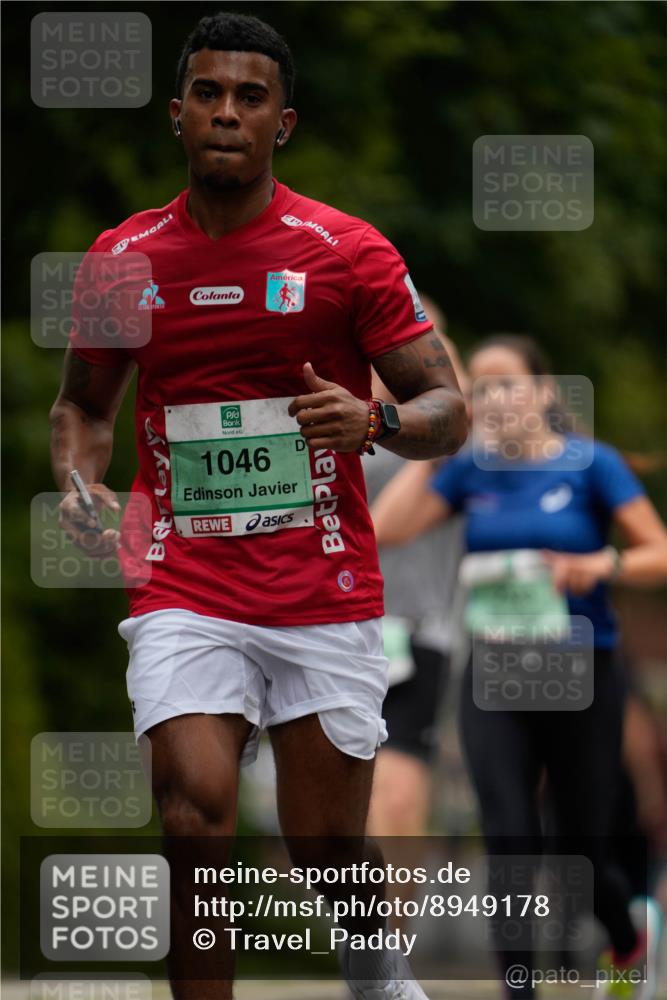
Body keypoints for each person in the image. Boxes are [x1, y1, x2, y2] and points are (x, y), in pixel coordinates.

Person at [49, 12, 467, 1000]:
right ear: (177, 115)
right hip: (183, 582)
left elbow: (448, 411)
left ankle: (376, 970)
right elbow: (83, 404)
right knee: (193, 813)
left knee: (320, 844)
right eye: (207, 94)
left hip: (321, 587)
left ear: (282, 121)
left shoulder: (346, 253)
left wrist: (375, 420)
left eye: (249, 97)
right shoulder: (123, 258)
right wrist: (79, 476)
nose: (226, 113)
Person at [371, 334, 667, 998]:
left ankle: (628, 940)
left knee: (579, 850)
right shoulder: (469, 470)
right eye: (477, 387)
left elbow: (659, 552)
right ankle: (518, 991)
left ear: (541, 392)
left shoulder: (591, 466)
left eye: (505, 383)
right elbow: (387, 528)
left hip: (579, 670)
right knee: (506, 834)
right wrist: (443, 439)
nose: (492, 398)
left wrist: (602, 564)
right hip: (495, 672)